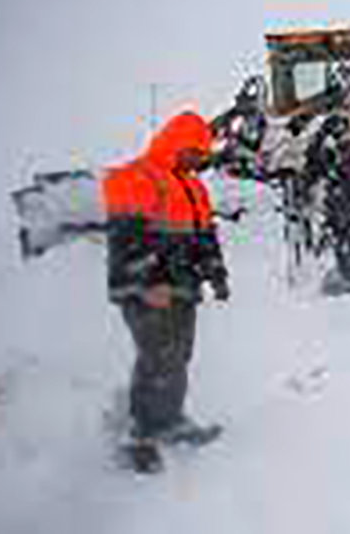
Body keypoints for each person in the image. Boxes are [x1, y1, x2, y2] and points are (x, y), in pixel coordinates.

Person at [102, 111, 230, 473]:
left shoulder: (192, 186)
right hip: (145, 289)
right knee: (156, 357)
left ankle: (170, 420)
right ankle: (138, 436)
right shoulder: (138, 177)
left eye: (203, 156)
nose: (199, 162)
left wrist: (216, 274)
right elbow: (127, 240)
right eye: (195, 153)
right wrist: (146, 283)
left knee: (178, 355)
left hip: (182, 286)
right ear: (177, 144)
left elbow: (205, 238)